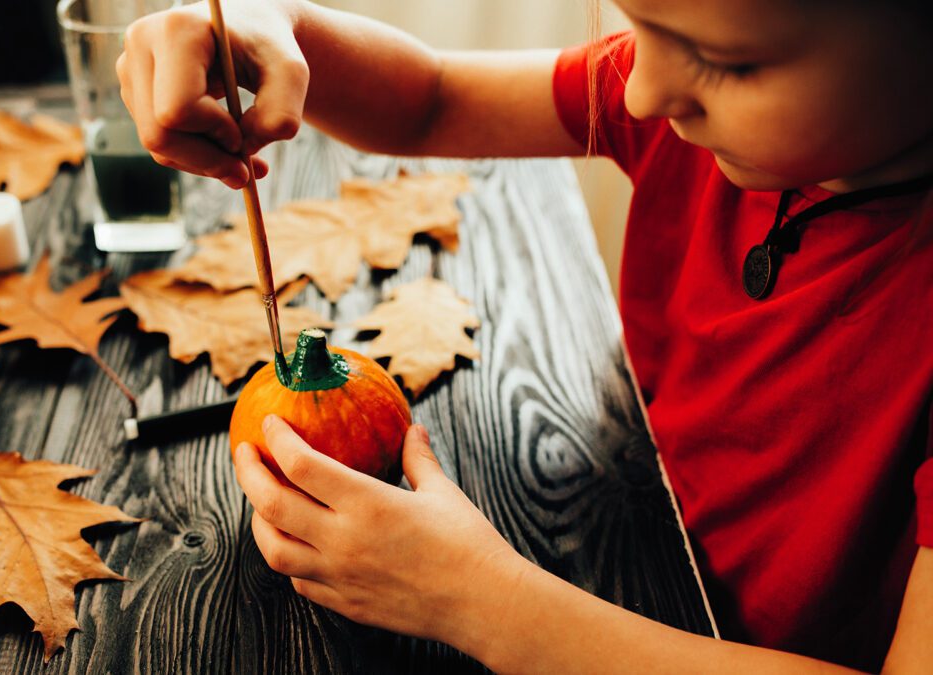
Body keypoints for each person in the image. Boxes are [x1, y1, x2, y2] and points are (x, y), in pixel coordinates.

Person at [116, 0, 933, 671]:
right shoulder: (685, 90)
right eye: (633, 24)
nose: (640, 90)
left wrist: (477, 599)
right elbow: (432, 99)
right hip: (638, 521)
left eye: (731, 62)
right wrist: (279, 33)